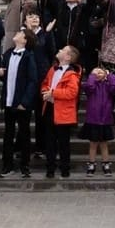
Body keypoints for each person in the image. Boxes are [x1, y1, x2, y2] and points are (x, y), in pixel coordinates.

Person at [0, 27, 38, 178]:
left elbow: (33, 81)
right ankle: (7, 165)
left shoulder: (28, 56)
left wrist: (25, 102)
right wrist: (1, 74)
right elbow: (8, 76)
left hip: (21, 102)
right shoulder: (8, 54)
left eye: (20, 33)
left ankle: (25, 165)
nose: (17, 33)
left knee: (24, 133)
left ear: (25, 40)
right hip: (9, 100)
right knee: (8, 134)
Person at [40, 44, 82, 178]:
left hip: (63, 112)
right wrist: (45, 92)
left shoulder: (72, 75)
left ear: (68, 57)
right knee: (49, 141)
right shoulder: (53, 69)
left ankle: (65, 168)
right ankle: (50, 168)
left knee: (64, 142)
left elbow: (72, 92)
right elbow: (45, 83)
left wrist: (52, 93)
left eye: (62, 50)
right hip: (50, 109)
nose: (59, 50)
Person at [24, 10, 56, 158]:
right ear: (25, 21)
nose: (35, 18)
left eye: (37, 17)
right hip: (26, 78)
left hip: (42, 78)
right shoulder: (22, 34)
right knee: (23, 115)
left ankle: (40, 147)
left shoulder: (46, 34)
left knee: (41, 115)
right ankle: (21, 147)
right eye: (31, 16)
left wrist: (47, 33)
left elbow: (51, 53)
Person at [80, 66, 115, 177]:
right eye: (95, 72)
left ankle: (106, 164)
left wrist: (109, 75)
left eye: (100, 72)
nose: (97, 74)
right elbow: (89, 85)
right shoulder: (90, 87)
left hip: (105, 120)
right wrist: (92, 76)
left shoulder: (109, 87)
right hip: (93, 120)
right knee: (93, 143)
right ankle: (91, 164)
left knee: (104, 144)